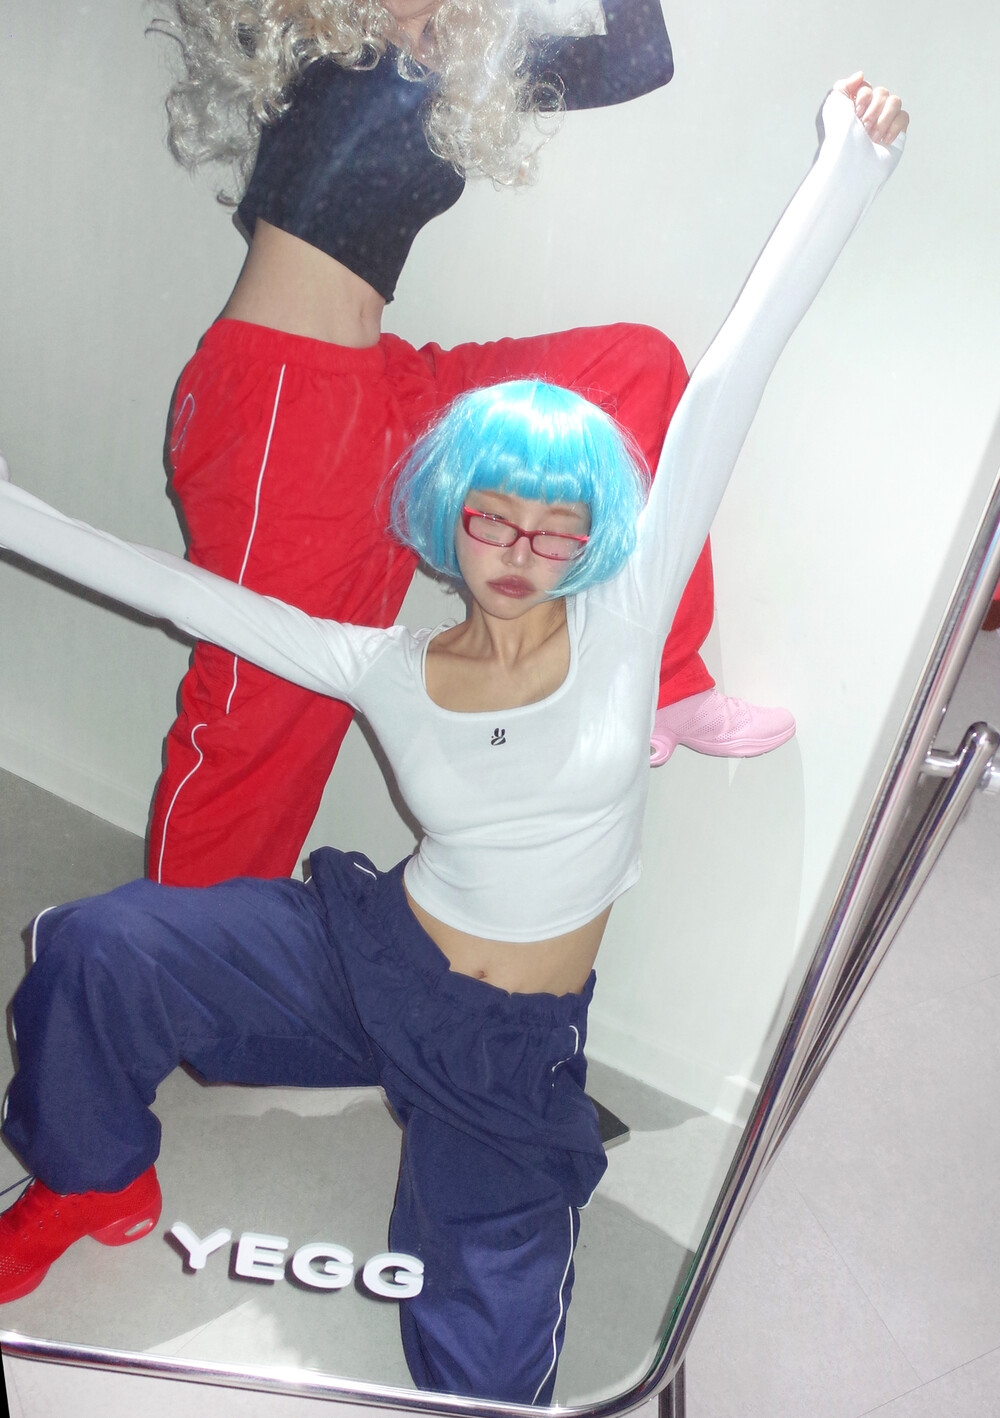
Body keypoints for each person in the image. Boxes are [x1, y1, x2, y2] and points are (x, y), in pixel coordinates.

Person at [0, 75, 906, 1403]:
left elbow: (724, 383)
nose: (522, 546)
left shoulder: (619, 625)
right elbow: (184, 593)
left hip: (505, 1042)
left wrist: (847, 170)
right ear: (446, 516)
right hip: (372, 955)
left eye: (557, 522)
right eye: (492, 515)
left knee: (480, 1368)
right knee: (94, 943)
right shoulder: (386, 662)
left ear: (594, 530)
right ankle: (93, 1178)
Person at [146, 0, 793, 886]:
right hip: (280, 407)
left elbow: (641, 57)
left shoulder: (460, 66)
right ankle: (162, 957)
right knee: (263, 716)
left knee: (634, 369)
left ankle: (667, 678)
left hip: (384, 388)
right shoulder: (313, 36)